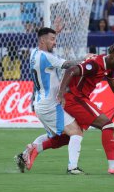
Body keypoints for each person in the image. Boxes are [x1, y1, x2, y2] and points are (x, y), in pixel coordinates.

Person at [57, 43, 114, 175]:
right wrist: (61, 94)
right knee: (107, 125)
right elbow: (70, 70)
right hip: (74, 99)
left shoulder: (108, 67)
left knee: (66, 137)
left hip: (79, 99)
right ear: (113, 57)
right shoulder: (95, 65)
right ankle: (113, 166)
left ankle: (35, 149)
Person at [14, 27, 90, 175]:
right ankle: (72, 168)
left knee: (55, 136)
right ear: (43, 40)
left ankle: (23, 156)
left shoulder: (34, 53)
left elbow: (46, 40)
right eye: (52, 39)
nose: (55, 43)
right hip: (49, 105)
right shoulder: (45, 56)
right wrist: (85, 58)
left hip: (42, 103)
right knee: (76, 132)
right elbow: (68, 64)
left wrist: (55, 32)